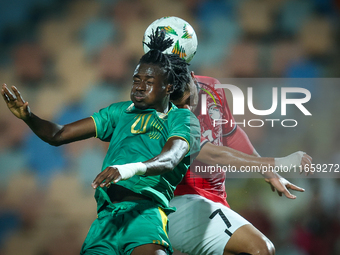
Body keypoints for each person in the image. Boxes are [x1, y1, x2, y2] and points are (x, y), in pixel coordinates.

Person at [1, 30, 201, 255]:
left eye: (149, 82)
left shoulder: (181, 118)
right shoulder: (119, 112)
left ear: (168, 88)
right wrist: (28, 116)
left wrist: (127, 169)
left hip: (145, 213)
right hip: (105, 221)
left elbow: (171, 158)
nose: (139, 86)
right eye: (136, 80)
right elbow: (58, 135)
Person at [145, 20, 313, 255]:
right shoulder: (153, 109)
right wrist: (275, 162)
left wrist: (269, 172)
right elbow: (208, 153)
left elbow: (231, 134)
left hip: (210, 202)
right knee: (260, 249)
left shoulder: (211, 87)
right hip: (176, 202)